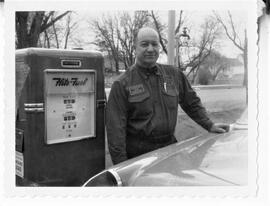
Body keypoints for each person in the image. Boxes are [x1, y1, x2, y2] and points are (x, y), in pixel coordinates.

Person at [106, 27, 229, 165]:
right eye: (144, 44)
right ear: (135, 48)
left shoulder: (173, 75)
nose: (151, 49)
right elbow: (115, 131)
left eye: (155, 44)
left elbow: (192, 103)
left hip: (169, 150)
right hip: (138, 157)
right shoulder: (122, 84)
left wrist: (209, 125)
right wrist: (122, 168)